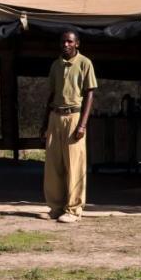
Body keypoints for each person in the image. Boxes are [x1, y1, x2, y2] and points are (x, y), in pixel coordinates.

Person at [41, 30, 96, 222]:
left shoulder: (84, 63)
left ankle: (73, 209)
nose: (66, 45)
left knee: (74, 163)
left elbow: (90, 94)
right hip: (55, 116)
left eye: (70, 42)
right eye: (63, 41)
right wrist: (44, 123)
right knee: (54, 164)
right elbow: (50, 95)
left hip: (74, 116)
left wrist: (82, 124)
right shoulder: (56, 65)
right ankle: (55, 207)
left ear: (77, 44)